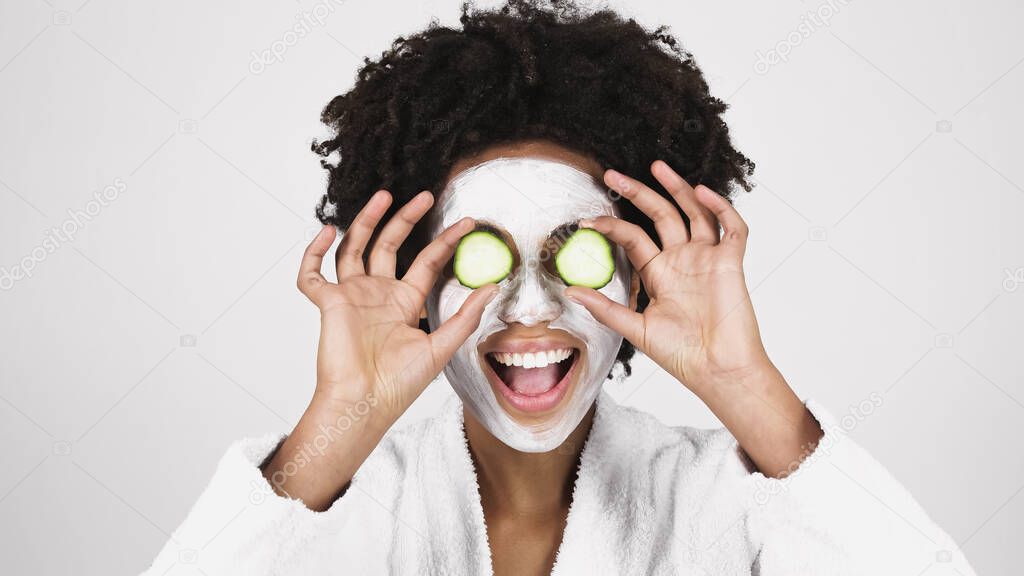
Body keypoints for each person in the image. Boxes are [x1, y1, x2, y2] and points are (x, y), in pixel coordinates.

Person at [144, 1, 976, 574]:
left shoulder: (719, 501)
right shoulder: (344, 508)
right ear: (417, 279)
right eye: (481, 256)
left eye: (574, 251)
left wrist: (745, 385)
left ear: (641, 268)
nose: (531, 306)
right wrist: (339, 419)